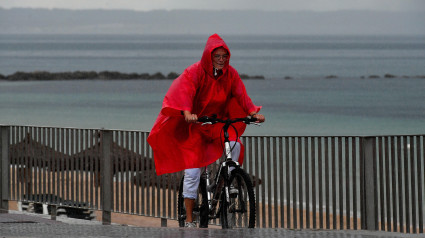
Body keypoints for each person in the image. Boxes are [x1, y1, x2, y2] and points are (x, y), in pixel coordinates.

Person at [147, 33, 265, 228]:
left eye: (224, 56)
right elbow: (185, 90)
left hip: (217, 123)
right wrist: (187, 112)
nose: (221, 60)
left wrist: (253, 112)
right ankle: (190, 220)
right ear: (208, 56)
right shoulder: (195, 71)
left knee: (235, 144)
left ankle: (228, 182)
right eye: (217, 56)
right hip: (196, 125)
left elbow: (241, 94)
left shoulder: (231, 74)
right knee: (193, 172)